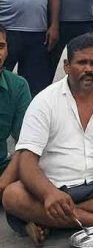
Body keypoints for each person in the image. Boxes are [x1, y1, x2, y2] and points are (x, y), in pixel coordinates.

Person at [2, 34, 93, 246]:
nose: (89, 69)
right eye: (82, 62)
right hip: (54, 187)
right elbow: (26, 161)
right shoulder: (45, 101)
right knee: (13, 195)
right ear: (67, 66)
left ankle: (50, 221)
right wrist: (49, 194)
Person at [0, 25, 33, 203]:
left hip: (3, 171)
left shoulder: (18, 86)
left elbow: (27, 143)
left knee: (43, 180)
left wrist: (3, 183)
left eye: (1, 46)